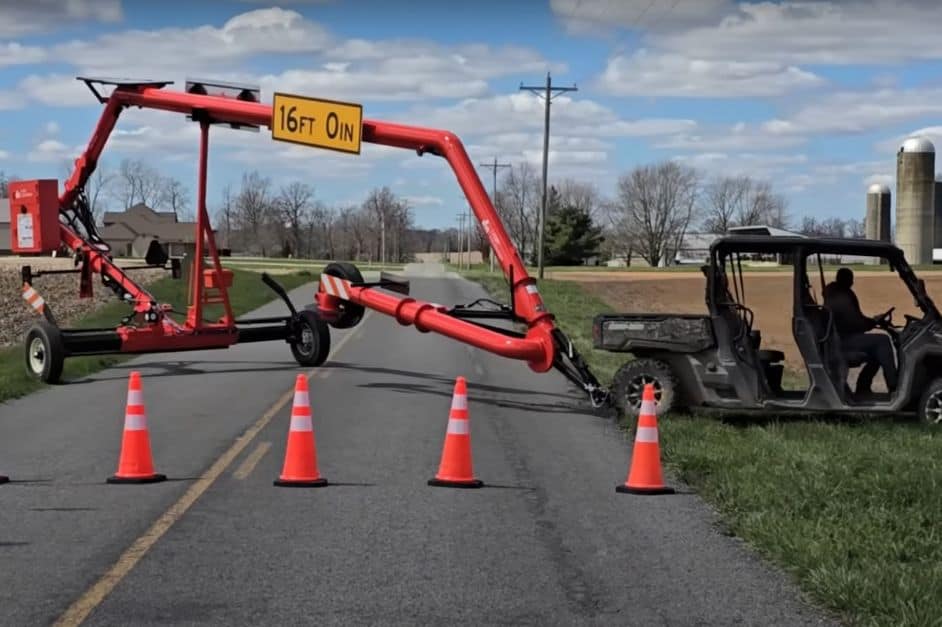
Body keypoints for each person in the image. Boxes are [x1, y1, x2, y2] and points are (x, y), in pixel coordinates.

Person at [822, 267, 898, 395]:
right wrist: (873, 322)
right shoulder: (840, 296)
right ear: (846, 280)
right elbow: (855, 323)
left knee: (877, 351)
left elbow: (856, 319)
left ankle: (863, 387)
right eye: (850, 279)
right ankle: (894, 386)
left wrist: (873, 321)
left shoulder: (837, 293)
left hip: (841, 337)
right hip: (842, 340)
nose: (852, 282)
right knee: (883, 341)